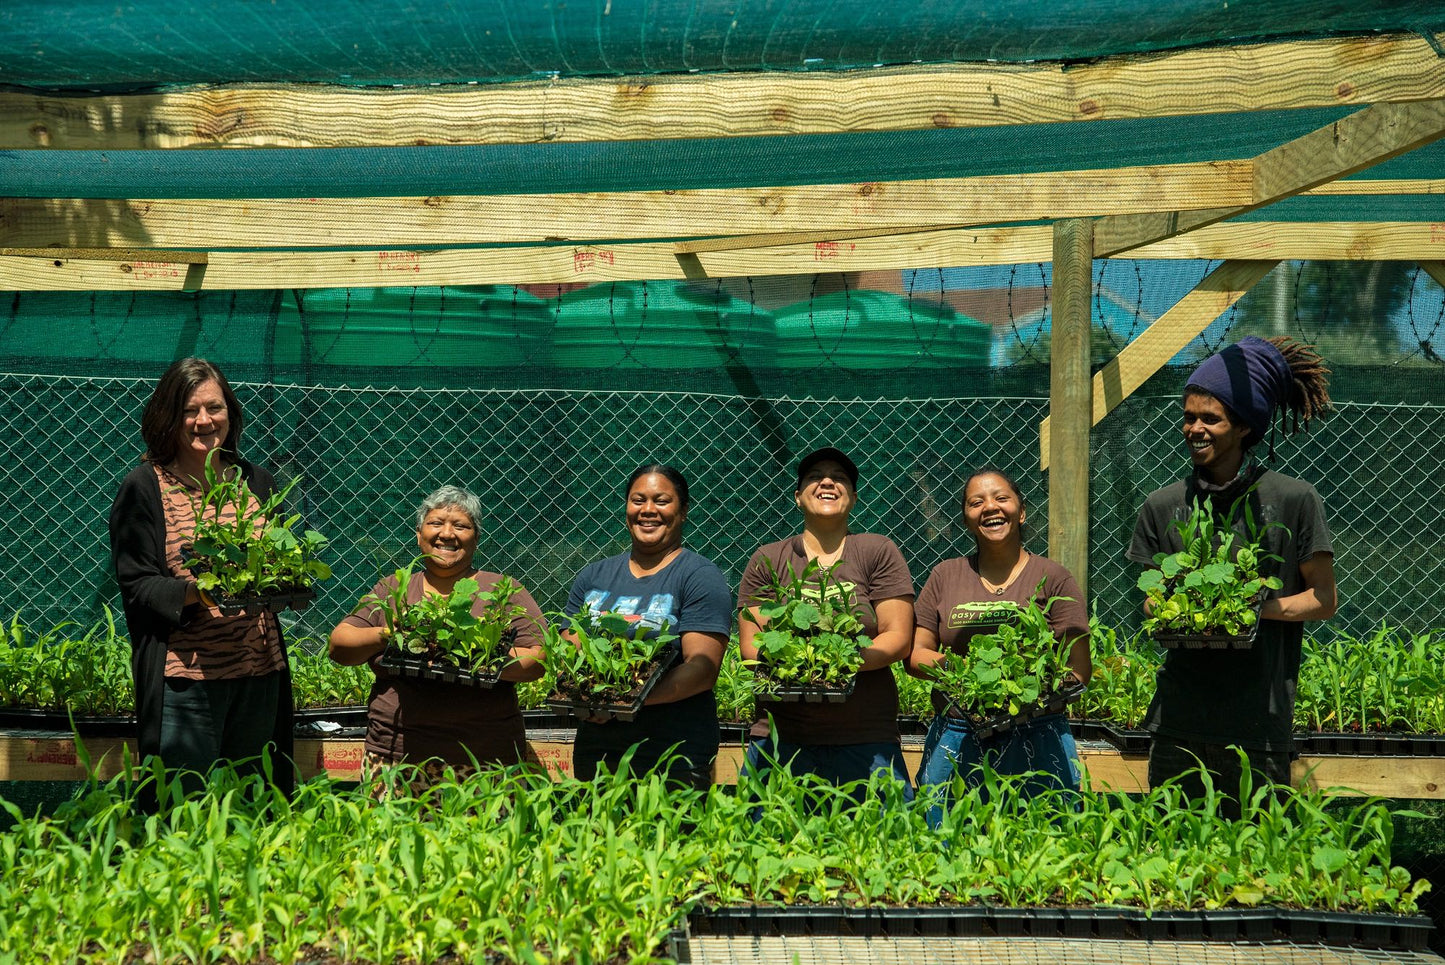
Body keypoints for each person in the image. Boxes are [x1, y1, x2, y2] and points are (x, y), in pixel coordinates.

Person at [1129, 335, 1336, 814]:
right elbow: (1149, 598)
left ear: (1243, 426)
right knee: (1171, 861)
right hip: (1177, 719)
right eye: (1188, 417)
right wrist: (1177, 612)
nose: (1194, 428)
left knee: (1255, 867)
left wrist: (1248, 611)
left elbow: (1323, 599)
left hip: (1259, 724)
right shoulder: (1163, 505)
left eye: (1210, 419)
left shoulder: (1293, 499)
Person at [107, 357, 295, 795]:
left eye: (214, 408)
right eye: (190, 410)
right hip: (186, 682)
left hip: (259, 673)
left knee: (256, 804)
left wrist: (286, 579)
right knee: (182, 806)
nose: (204, 420)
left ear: (231, 412)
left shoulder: (257, 482)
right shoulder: (146, 486)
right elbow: (137, 584)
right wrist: (198, 591)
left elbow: (281, 561)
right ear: (168, 417)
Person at [330, 485, 546, 791]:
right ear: (419, 535)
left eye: (460, 525)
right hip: (396, 755)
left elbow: (537, 659)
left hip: (487, 758)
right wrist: (390, 634)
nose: (447, 534)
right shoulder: (394, 587)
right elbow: (340, 645)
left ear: (476, 538)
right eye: (435, 524)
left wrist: (481, 660)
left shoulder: (502, 590)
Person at [907, 468, 1090, 822]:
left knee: (1044, 848)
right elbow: (916, 655)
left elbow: (1079, 670)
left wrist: (1021, 680)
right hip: (958, 729)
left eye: (1001, 498)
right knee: (948, 844)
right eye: (976, 502)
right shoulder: (945, 575)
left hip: (1037, 730)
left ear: (1021, 512)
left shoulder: (1053, 577)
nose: (990, 507)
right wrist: (970, 675)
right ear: (966, 518)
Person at [737, 447, 915, 796]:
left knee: (890, 844)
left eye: (840, 478)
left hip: (866, 735)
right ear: (798, 497)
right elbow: (751, 644)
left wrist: (836, 665)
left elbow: (897, 638)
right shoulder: (768, 559)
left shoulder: (876, 550)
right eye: (815, 476)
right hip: (780, 735)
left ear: (854, 497)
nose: (828, 481)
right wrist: (810, 667)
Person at [564, 464, 733, 791]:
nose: (648, 510)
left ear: (683, 511)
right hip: (597, 744)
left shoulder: (699, 576)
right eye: (638, 500)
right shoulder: (594, 577)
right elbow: (571, 650)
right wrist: (588, 698)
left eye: (661, 501)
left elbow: (702, 667)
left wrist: (623, 702)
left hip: (673, 749)